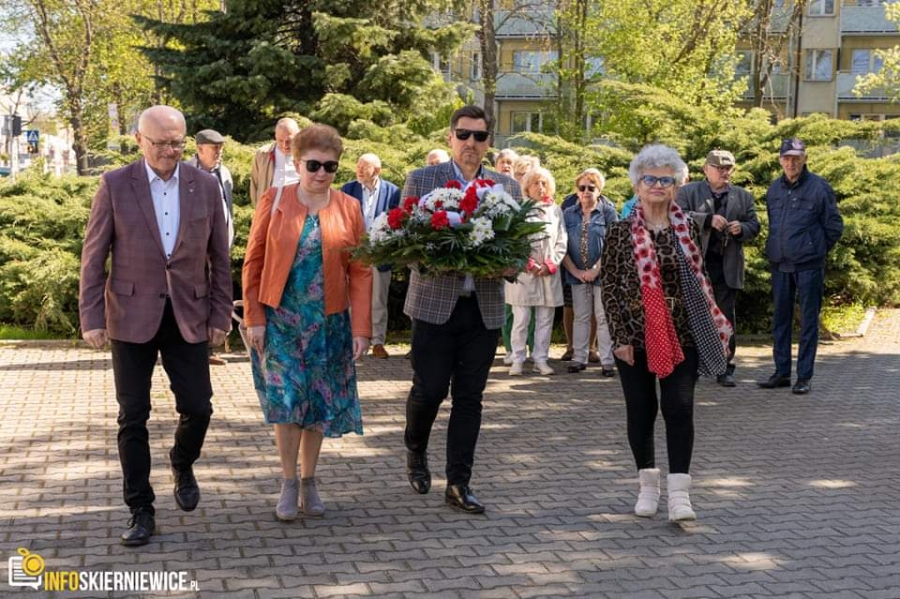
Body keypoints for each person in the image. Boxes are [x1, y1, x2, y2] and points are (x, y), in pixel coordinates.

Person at [79, 105, 232, 546]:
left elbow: (219, 259)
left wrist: (220, 314)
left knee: (199, 407)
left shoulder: (205, 185)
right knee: (133, 416)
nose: (170, 150)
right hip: (130, 317)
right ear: (139, 141)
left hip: (189, 315)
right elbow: (94, 257)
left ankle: (181, 461)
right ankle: (140, 509)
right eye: (161, 143)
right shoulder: (114, 185)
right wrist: (91, 317)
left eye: (177, 143)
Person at [243, 123, 372, 521]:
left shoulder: (348, 208)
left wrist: (361, 329)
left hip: (328, 322)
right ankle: (287, 481)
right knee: (287, 403)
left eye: (330, 167)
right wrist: (254, 318)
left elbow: (361, 271)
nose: (321, 173)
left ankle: (309, 480)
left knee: (317, 402)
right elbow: (254, 261)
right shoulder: (275, 200)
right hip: (279, 320)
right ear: (297, 163)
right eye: (313, 165)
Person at [600, 145, 731, 522]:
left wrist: (714, 323)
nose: (657, 185)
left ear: (676, 185)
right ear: (637, 185)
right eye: (650, 179)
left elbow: (700, 279)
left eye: (665, 179)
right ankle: (647, 487)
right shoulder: (619, 231)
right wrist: (619, 338)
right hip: (635, 337)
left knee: (680, 408)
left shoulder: (687, 228)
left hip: (683, 333)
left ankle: (679, 495)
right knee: (641, 411)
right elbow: (610, 287)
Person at [402, 105, 522, 514]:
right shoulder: (423, 180)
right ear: (450, 137)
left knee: (470, 397)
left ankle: (458, 482)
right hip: (434, 306)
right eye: (464, 134)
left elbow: (519, 249)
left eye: (480, 136)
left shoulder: (506, 187)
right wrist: (438, 259)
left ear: (490, 142)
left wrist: (507, 265)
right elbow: (405, 246)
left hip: (483, 310)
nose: (471, 143)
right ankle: (415, 446)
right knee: (430, 389)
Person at [758, 138, 843, 395]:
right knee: (780, 320)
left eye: (796, 158)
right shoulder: (774, 189)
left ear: (804, 158)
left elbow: (834, 226)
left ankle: (804, 376)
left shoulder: (819, 187)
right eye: (787, 158)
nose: (791, 162)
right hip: (780, 264)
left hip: (809, 265)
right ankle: (782, 372)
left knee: (808, 321)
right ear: (780, 160)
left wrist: (815, 249)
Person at [676, 150, 761, 387]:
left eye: (728, 168)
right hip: (695, 266)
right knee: (693, 316)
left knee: (725, 317)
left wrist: (742, 228)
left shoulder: (743, 196)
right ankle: (692, 366)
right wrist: (707, 219)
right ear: (706, 169)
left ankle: (725, 367)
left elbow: (755, 225)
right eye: (719, 168)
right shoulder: (688, 191)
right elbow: (677, 217)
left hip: (727, 267)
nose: (724, 172)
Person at [505, 166, 566, 376]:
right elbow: (514, 241)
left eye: (544, 183)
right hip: (524, 274)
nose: (540, 187)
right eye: (535, 183)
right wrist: (528, 263)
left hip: (548, 273)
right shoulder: (519, 209)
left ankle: (541, 359)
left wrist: (551, 264)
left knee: (545, 320)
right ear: (527, 187)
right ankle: (517, 359)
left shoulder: (555, 210)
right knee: (521, 319)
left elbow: (561, 239)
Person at [341, 153, 401, 358]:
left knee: (378, 299)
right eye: (358, 165)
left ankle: (378, 342)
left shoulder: (393, 191)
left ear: (377, 170)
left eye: (364, 167)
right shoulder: (348, 189)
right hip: (355, 252)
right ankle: (351, 339)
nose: (358, 170)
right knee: (351, 297)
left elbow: (397, 222)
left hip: (379, 253)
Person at [562, 169, 619, 376]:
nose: (586, 191)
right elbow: (562, 246)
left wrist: (596, 269)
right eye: (582, 187)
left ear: (599, 190)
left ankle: (607, 362)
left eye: (591, 188)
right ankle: (579, 358)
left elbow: (614, 243)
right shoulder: (568, 213)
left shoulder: (608, 212)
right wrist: (575, 271)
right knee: (581, 316)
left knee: (602, 317)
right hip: (576, 273)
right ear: (577, 191)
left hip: (603, 274)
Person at [188, 128, 235, 366]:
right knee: (198, 295)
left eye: (221, 148)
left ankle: (209, 347)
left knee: (217, 292)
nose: (219, 153)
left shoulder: (224, 173)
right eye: (214, 148)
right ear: (199, 149)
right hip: (196, 246)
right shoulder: (186, 173)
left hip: (220, 243)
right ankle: (196, 348)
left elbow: (228, 207)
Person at [501, 154, 540, 365]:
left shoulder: (541, 202)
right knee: (509, 309)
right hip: (512, 263)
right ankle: (511, 349)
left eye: (526, 174)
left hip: (536, 263)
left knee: (532, 310)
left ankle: (534, 348)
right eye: (518, 174)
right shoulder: (506, 199)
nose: (521, 178)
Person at [249, 117, 301, 206]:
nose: (285, 145)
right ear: (275, 136)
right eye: (280, 140)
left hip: (297, 209)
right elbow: (254, 184)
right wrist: (259, 208)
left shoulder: (307, 155)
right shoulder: (263, 154)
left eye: (289, 141)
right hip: (269, 209)